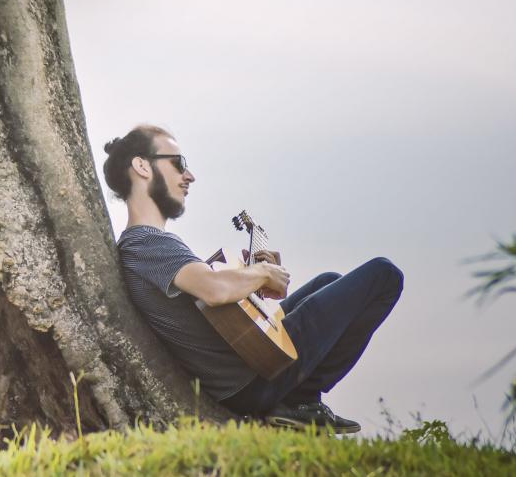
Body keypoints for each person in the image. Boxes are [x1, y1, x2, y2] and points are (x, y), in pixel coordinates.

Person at [104, 125, 404, 433]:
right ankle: (301, 400)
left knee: (330, 280)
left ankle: (299, 403)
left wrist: (252, 280)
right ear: (142, 166)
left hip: (248, 369)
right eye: (179, 163)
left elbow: (208, 302)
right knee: (384, 275)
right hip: (255, 377)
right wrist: (262, 273)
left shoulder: (147, 245)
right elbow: (214, 289)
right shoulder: (145, 243)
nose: (190, 175)